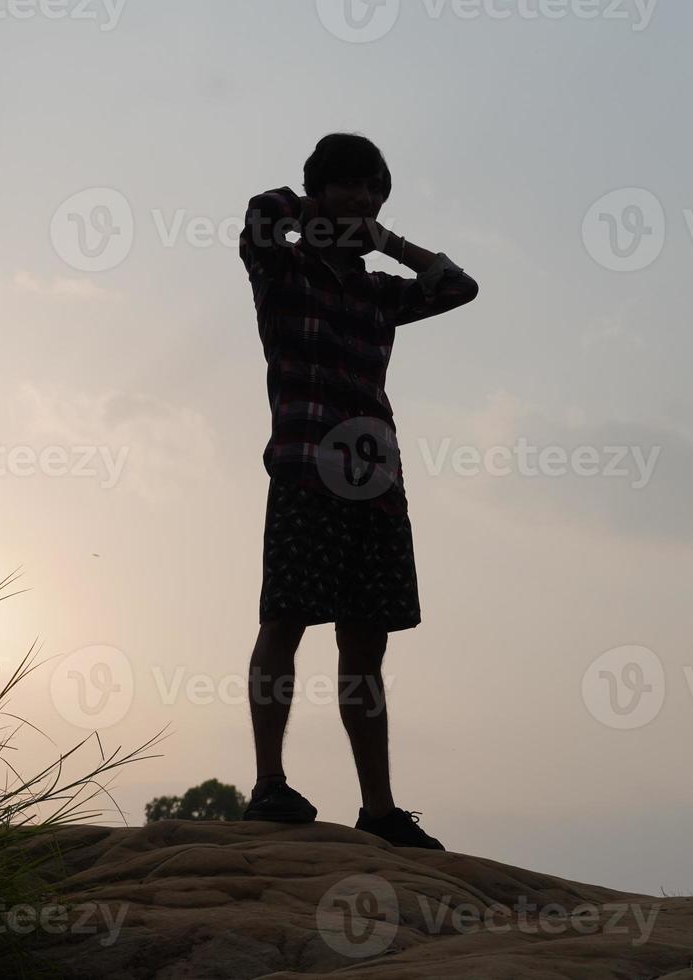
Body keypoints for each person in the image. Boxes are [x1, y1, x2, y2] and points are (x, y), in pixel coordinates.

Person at [238, 132, 479, 849]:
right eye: (353, 187)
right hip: (304, 468)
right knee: (285, 620)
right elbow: (259, 215)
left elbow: (459, 287)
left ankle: (379, 809)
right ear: (318, 191)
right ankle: (269, 784)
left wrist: (386, 239)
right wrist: (316, 211)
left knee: (365, 645)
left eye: (375, 192)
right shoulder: (282, 271)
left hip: (374, 484)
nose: (365, 201)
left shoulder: (378, 294)